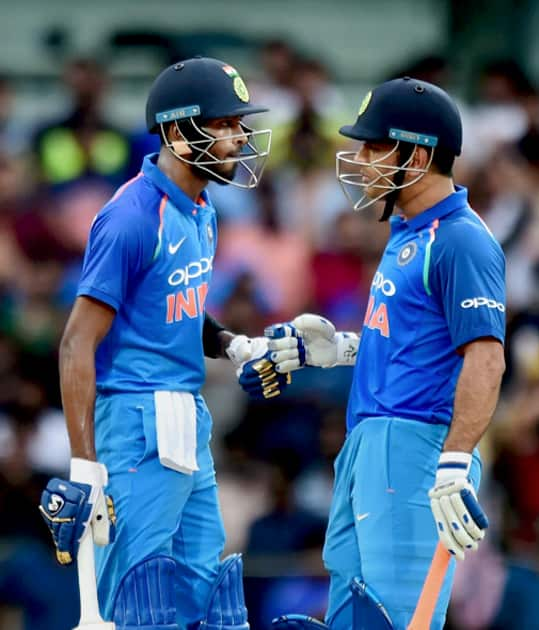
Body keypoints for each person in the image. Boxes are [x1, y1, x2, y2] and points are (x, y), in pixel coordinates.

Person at [38, 56, 290, 630]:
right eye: (224, 124)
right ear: (178, 131)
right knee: (135, 597)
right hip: (133, 420)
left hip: (187, 416)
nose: (239, 138)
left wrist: (229, 344)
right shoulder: (129, 216)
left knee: (204, 594)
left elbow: (177, 305)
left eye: (238, 124)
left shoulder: (202, 210)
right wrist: (86, 467)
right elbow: (77, 343)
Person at [267, 77, 507, 629]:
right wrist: (341, 349)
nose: (361, 159)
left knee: (396, 618)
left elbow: (486, 358)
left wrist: (452, 466)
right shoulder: (407, 233)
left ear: (418, 154)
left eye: (376, 146)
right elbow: (417, 343)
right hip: (368, 443)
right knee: (354, 617)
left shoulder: (461, 239)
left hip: (414, 448)